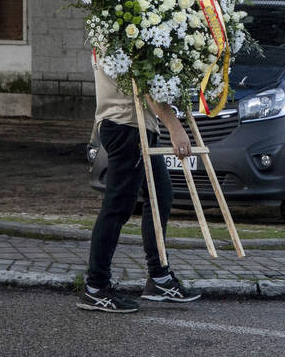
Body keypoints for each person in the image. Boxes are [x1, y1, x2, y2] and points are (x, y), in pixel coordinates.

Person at [78, 52, 200, 313]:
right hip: (126, 126)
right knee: (118, 206)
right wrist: (175, 128)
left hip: (138, 126)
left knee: (160, 196)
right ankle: (96, 287)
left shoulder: (115, 26)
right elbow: (145, 85)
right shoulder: (123, 30)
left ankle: (159, 278)